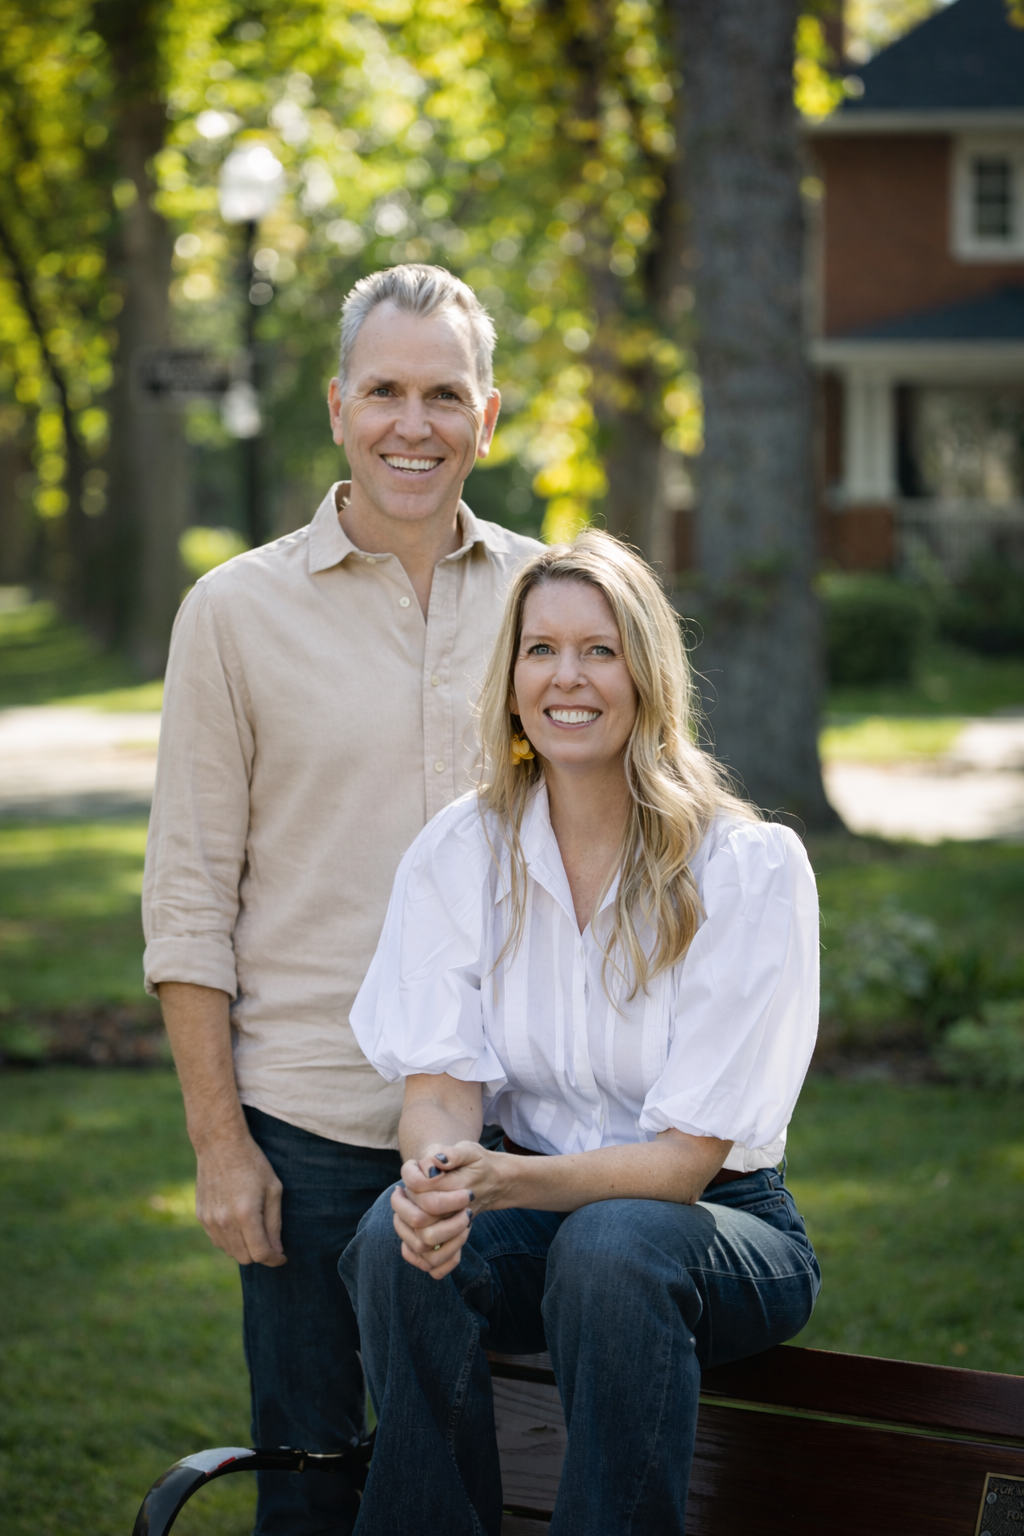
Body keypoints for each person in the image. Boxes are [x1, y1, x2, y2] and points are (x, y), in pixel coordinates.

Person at [141, 264, 541, 1536]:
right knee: (314, 1490)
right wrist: (221, 1144)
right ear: (336, 406)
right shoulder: (234, 613)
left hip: (514, 1127)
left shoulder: (560, 606)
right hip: (308, 1123)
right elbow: (190, 893)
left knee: (511, 1474)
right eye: (383, 390)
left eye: (442, 393)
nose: (410, 424)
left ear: (488, 418)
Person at [340, 530, 822, 1536]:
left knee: (612, 1245)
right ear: (511, 678)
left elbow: (684, 1166)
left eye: (600, 650)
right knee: (393, 1241)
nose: (569, 678)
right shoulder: (461, 852)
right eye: (540, 649)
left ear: (647, 674)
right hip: (539, 1215)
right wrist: (437, 1181)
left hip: (714, 1230)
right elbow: (436, 1086)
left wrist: (505, 1183)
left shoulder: (743, 868)